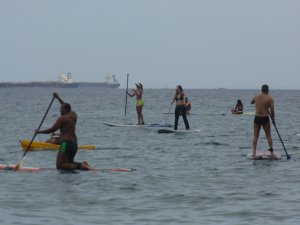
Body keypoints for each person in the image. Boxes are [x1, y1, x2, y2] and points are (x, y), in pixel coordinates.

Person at [35, 93, 91, 170]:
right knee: (69, 162)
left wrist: (39, 132)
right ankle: (83, 164)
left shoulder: (62, 118)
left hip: (65, 144)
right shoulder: (73, 115)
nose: (60, 110)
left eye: (61, 109)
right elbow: (65, 105)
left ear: (65, 110)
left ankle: (80, 166)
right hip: (74, 144)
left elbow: (52, 130)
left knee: (59, 165)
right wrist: (58, 98)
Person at [251, 84, 275, 157]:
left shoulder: (256, 96)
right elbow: (272, 111)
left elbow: (251, 102)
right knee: (268, 136)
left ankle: (254, 152)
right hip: (265, 118)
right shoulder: (270, 99)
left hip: (257, 117)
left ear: (261, 90)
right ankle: (271, 152)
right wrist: (273, 120)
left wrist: (256, 101)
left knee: (255, 136)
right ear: (267, 90)